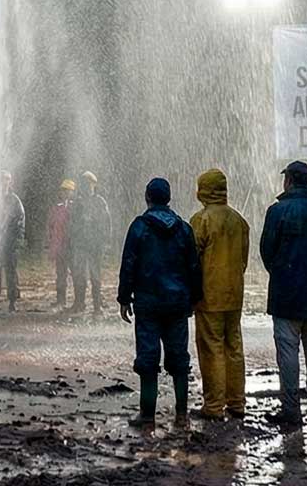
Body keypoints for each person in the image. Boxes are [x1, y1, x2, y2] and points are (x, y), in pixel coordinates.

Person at [118, 177, 202, 427]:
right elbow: (194, 267)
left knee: (148, 358)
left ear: (147, 197)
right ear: (168, 198)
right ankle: (181, 413)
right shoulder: (184, 228)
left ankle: (147, 414)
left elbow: (129, 265)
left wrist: (124, 298)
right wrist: (195, 297)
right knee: (179, 359)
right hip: (177, 304)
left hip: (148, 305)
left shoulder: (139, 227)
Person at [259, 159, 307, 428]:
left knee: (288, 353)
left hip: (286, 294)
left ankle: (291, 410)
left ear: (289, 180)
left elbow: (267, 250)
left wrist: (280, 272)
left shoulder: (277, 211)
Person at [190, 168, 249, 420]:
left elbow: (192, 261)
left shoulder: (200, 220)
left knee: (211, 348)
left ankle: (214, 406)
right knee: (234, 347)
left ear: (203, 190)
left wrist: (191, 294)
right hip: (234, 295)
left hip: (209, 296)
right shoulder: (239, 220)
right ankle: (237, 402)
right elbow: (243, 260)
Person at [0, 170, 26, 311]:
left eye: (6, 179)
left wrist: (18, 241)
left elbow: (21, 221)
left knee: (11, 272)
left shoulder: (15, 200)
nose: (3, 182)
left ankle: (12, 301)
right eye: (1, 179)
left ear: (10, 182)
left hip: (10, 243)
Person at [73, 171, 112, 315]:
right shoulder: (77, 202)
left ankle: (97, 306)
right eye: (83, 184)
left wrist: (105, 242)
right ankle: (79, 303)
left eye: (88, 184)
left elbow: (106, 223)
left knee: (96, 276)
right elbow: (72, 223)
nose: (85, 187)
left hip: (95, 245)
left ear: (94, 185)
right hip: (80, 244)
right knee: (79, 275)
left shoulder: (100, 202)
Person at [49, 179, 78, 309]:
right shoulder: (57, 207)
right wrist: (51, 244)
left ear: (72, 192)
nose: (65, 193)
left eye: (68, 190)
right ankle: (60, 300)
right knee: (60, 275)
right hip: (60, 247)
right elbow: (52, 227)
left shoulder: (76, 207)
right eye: (63, 190)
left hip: (72, 248)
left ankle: (78, 301)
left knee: (76, 275)